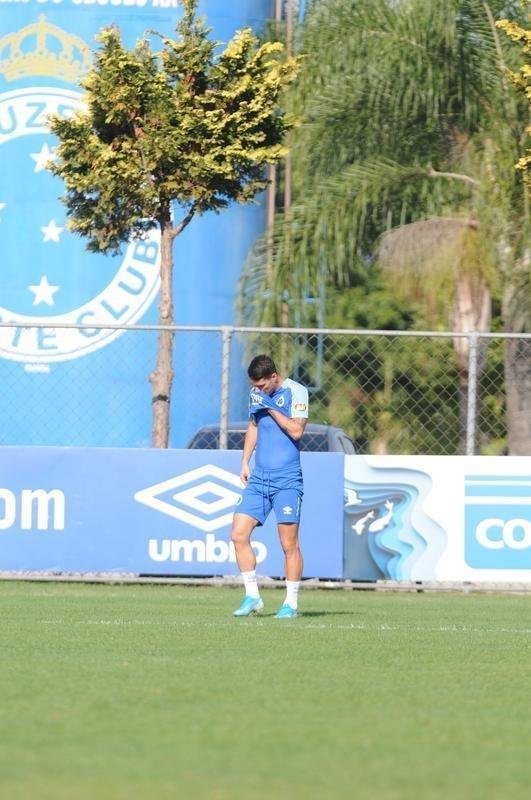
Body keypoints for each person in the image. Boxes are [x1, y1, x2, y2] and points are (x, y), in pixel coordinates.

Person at [230, 354, 309, 619]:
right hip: (259, 479)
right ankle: (252, 596)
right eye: (255, 386)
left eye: (263, 386)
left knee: (289, 544)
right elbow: (254, 427)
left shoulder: (297, 392)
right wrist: (244, 460)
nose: (258, 390)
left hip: (287, 479)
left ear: (274, 377)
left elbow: (297, 431)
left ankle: (291, 604)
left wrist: (271, 406)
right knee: (238, 534)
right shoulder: (257, 395)